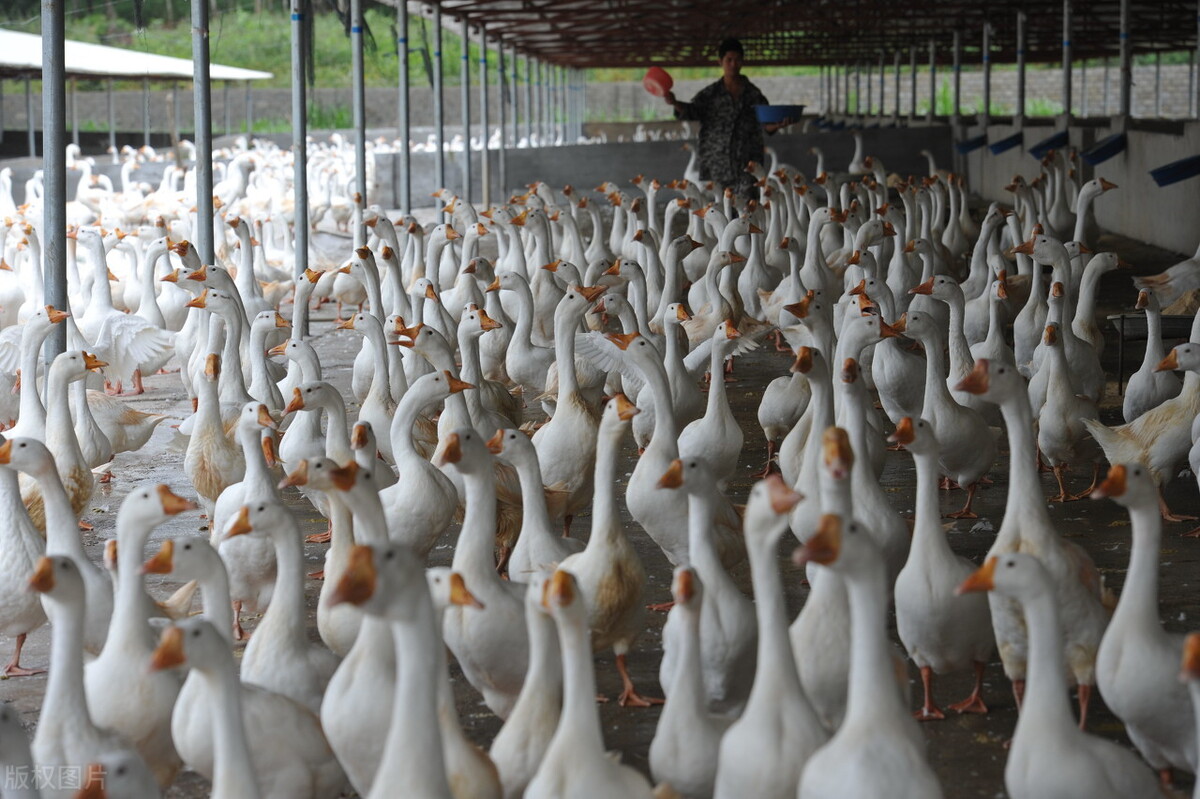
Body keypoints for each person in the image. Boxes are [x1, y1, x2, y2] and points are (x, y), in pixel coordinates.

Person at [663, 37, 794, 198]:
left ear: (742, 62)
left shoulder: (754, 94)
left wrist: (778, 125)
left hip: (747, 166)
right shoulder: (710, 94)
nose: (733, 64)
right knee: (719, 211)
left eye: (737, 59)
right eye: (729, 60)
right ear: (720, 62)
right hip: (716, 166)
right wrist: (674, 102)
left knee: (747, 210)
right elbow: (692, 111)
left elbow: (766, 125)